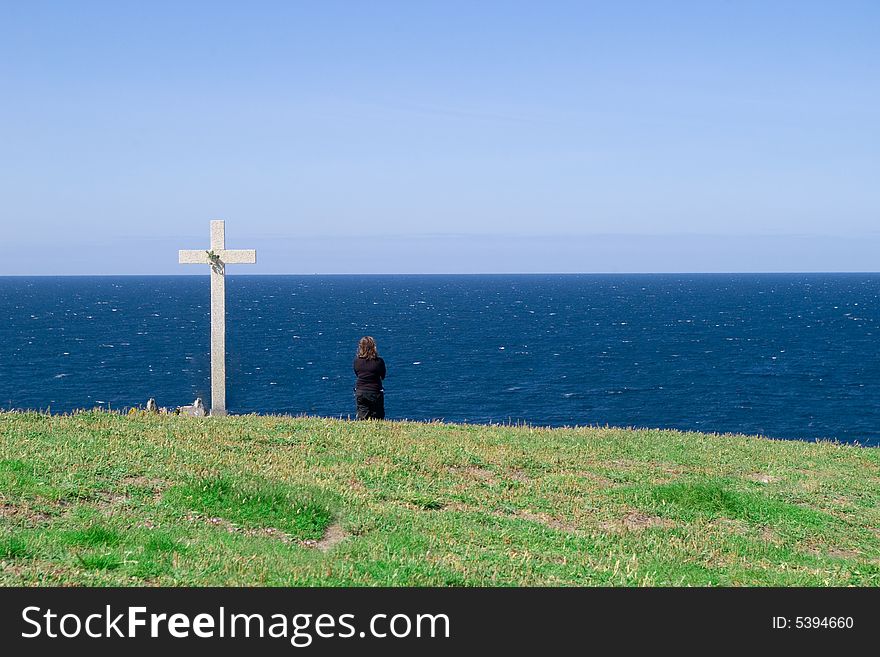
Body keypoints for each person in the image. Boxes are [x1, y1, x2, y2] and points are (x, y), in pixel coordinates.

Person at [353, 336, 386, 420]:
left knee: (362, 416)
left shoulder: (357, 361)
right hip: (375, 391)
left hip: (360, 391)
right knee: (377, 417)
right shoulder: (379, 361)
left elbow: (357, 374)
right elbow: (383, 376)